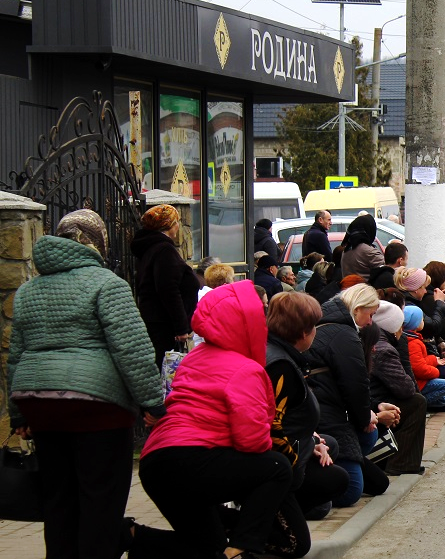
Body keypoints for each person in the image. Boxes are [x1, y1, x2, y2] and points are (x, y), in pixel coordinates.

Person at [7, 210, 165, 559]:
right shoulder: (107, 284)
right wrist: (153, 401)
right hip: (98, 408)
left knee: (58, 498)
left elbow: (16, 354)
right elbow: (132, 349)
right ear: (97, 243)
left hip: (41, 403)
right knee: (101, 499)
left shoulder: (28, 290)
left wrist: (18, 414)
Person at [132, 281, 293, 559]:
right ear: (247, 323)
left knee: (206, 547)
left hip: (155, 462)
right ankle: (241, 548)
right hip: (193, 459)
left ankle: (132, 536)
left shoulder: (194, 358)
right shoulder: (245, 369)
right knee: (277, 467)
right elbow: (252, 441)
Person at [263, 291, 350, 557]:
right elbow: (274, 426)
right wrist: (297, 459)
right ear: (303, 332)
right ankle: (255, 530)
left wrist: (312, 441)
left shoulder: (282, 354)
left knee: (331, 449)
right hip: (278, 467)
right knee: (297, 543)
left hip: (291, 451)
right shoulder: (280, 365)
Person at [303, 283, 391, 507]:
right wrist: (366, 418)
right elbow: (355, 383)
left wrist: (371, 410)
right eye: (370, 314)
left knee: (370, 454)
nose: (370, 322)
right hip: (328, 416)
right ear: (358, 308)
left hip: (326, 408)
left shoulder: (331, 327)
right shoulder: (344, 334)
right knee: (351, 490)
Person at [133, 203, 200, 367]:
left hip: (158, 322)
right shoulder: (164, 250)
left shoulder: (152, 248)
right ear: (169, 225)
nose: (178, 226)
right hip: (165, 327)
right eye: (176, 222)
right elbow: (168, 289)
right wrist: (181, 328)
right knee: (166, 370)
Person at [368, 300, 428, 475]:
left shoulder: (376, 342)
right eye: (400, 325)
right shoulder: (384, 349)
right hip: (376, 402)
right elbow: (406, 388)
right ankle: (402, 464)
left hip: (373, 399)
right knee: (417, 402)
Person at [395, 266, 445, 399]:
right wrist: (443, 304)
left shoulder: (412, 301)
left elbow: (433, 331)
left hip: (428, 354)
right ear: (416, 288)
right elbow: (435, 327)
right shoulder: (412, 305)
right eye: (424, 287)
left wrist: (440, 342)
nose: (425, 291)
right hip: (425, 359)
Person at [403, 306, 445, 411]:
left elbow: (420, 360)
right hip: (419, 382)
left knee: (444, 399)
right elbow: (419, 368)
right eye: (421, 320)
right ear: (415, 323)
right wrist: (436, 372)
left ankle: (422, 405)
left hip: (420, 379)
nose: (423, 321)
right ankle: (417, 407)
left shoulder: (415, 338)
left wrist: (433, 360)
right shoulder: (413, 343)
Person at [340, 215, 385, 281]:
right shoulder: (369, 251)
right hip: (365, 290)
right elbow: (387, 272)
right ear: (370, 230)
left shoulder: (346, 250)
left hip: (348, 289)